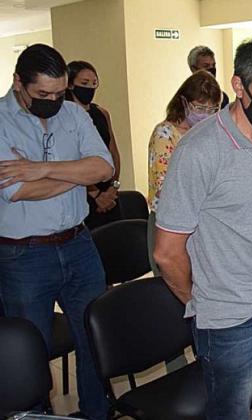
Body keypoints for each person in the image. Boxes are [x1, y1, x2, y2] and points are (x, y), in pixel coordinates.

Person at [153, 35, 252, 420]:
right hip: (231, 318)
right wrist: (205, 301)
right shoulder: (199, 151)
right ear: (238, 87)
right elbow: (167, 253)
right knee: (231, 412)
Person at [0, 44, 114, 420]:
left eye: (59, 92)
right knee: (29, 360)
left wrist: (39, 168)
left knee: (96, 342)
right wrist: (74, 174)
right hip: (23, 256)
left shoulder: (72, 113)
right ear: (19, 83)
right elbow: (17, 190)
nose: (53, 100)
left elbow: (103, 169)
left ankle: (96, 414)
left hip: (79, 244)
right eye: (42, 94)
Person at [147, 70, 221, 276]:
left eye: (212, 109)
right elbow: (166, 187)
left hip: (205, 224)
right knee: (178, 288)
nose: (206, 114)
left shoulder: (210, 134)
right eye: (199, 107)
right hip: (172, 224)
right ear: (184, 102)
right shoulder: (165, 133)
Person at [66, 61, 122, 228]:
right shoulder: (66, 116)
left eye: (94, 83)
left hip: (108, 189)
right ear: (70, 85)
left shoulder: (101, 113)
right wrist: (95, 194)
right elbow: (72, 158)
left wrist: (113, 187)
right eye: (84, 83)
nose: (90, 88)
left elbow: (112, 151)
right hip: (84, 191)